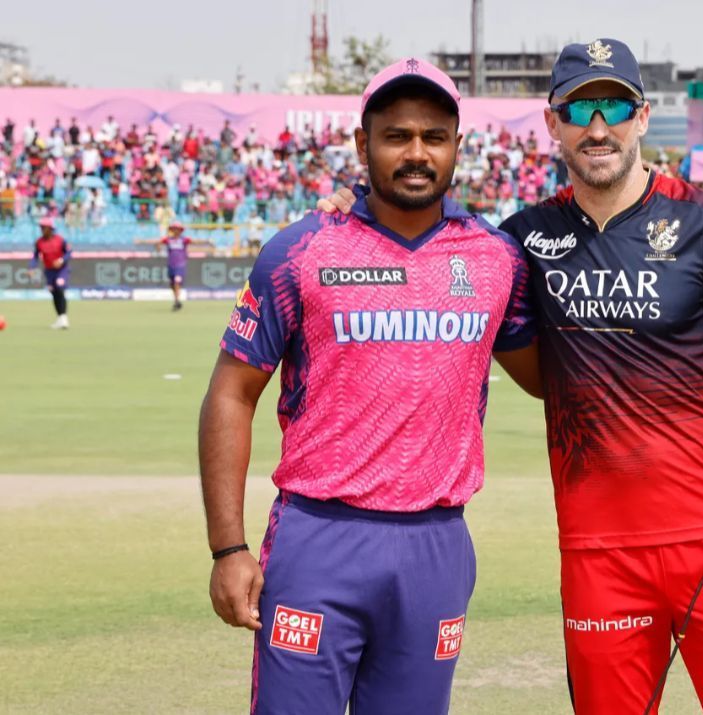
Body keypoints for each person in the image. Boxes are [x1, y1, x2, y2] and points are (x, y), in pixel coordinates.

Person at [321, 38, 703, 715]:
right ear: (552, 124)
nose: (596, 127)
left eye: (612, 106)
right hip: (598, 554)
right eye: (578, 109)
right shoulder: (518, 241)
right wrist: (357, 215)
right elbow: (430, 257)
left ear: (640, 115)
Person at [198, 57, 539, 715]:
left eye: (434, 137)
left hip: (436, 546)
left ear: (457, 147)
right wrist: (228, 546)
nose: (416, 153)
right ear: (363, 144)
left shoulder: (497, 260)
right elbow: (231, 393)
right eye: (396, 135)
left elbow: (552, 379)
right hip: (319, 538)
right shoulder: (301, 250)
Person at [135, 221, 213, 311]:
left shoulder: (184, 240)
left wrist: (207, 241)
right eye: (174, 229)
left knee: (176, 282)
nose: (176, 231)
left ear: (180, 231)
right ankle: (176, 299)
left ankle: (177, 301)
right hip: (171, 265)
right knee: (172, 284)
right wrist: (142, 241)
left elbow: (196, 241)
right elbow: (156, 241)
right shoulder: (169, 240)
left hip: (180, 265)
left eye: (177, 229)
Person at [32, 217, 72, 329]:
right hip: (49, 271)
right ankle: (60, 318)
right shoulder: (39, 242)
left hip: (61, 270)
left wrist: (61, 260)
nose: (41, 229)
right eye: (40, 227)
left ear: (50, 228)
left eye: (43, 227)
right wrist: (32, 268)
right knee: (54, 293)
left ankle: (64, 318)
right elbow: (35, 257)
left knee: (59, 287)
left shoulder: (60, 240)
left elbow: (69, 252)